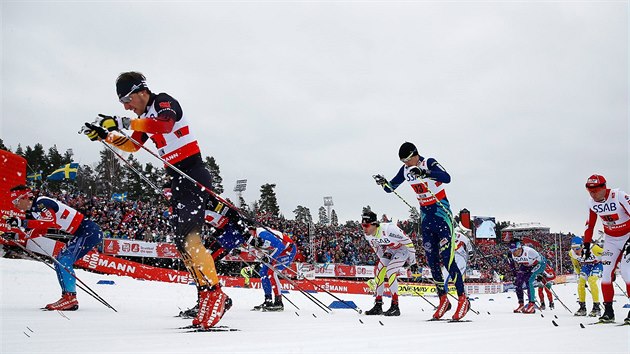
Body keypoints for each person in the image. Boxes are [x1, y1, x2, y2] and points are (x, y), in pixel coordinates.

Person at [82, 71, 241, 329]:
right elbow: (134, 146)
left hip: (191, 171)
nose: (126, 106)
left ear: (140, 91)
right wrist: (105, 135)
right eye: (122, 103)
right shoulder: (143, 118)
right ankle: (206, 295)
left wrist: (122, 122)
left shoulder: (163, 102)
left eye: (126, 99)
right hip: (177, 178)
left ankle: (215, 294)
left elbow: (165, 125)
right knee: (182, 242)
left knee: (191, 240)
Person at [374, 141, 469, 320]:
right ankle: (443, 300)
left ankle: (463, 299)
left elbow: (447, 177)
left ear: (415, 155)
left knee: (447, 260)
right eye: (403, 161)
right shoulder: (405, 170)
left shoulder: (428, 162)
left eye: (407, 160)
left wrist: (425, 173)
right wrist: (383, 183)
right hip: (426, 217)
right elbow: (391, 188)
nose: (405, 164)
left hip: (441, 213)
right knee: (432, 262)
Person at [8, 185, 103, 311]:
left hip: (88, 231)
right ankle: (68, 296)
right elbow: (41, 231)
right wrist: (15, 234)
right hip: (84, 232)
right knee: (59, 260)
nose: (15, 205)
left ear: (25, 197)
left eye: (16, 201)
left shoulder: (41, 203)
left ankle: (70, 298)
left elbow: (50, 222)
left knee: (63, 260)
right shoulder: (35, 210)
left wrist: (22, 222)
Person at [582, 174, 630, 324]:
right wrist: (587, 245)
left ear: (604, 187)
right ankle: (608, 311)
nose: (592, 193)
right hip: (611, 239)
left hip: (628, 236)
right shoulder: (592, 202)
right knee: (606, 274)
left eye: (595, 190)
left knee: (627, 272)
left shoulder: (619, 196)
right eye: (589, 190)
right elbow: (590, 225)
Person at [360, 210, 416, 317]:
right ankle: (378, 304)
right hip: (391, 250)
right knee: (379, 271)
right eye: (362, 225)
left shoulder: (389, 229)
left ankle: (395, 306)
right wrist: (384, 264)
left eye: (366, 225)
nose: (364, 228)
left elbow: (409, 242)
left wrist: (413, 262)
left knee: (390, 271)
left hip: (403, 250)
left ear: (374, 224)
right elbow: (378, 251)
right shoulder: (369, 235)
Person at [247, 226, 296, 311]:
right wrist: (239, 251)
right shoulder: (255, 238)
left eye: (249, 232)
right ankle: (268, 300)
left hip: (288, 250)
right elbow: (255, 250)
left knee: (272, 272)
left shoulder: (262, 233)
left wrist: (270, 258)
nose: (249, 234)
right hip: (279, 251)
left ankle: (278, 302)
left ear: (253, 229)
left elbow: (280, 245)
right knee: (263, 272)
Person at [509, 239, 547, 314]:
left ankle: (531, 304)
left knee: (529, 281)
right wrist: (515, 276)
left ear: (519, 248)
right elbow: (512, 265)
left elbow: (542, 261)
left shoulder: (530, 251)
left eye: (514, 250)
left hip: (538, 264)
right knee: (518, 283)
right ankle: (521, 304)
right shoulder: (511, 254)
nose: (513, 252)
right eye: (511, 250)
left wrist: (540, 273)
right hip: (526, 265)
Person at [569, 236, 603, 317]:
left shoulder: (593, 248)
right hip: (586, 266)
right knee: (581, 283)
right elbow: (576, 264)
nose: (575, 251)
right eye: (573, 248)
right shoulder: (572, 253)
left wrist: (612, 270)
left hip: (598, 264)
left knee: (592, 280)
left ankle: (596, 307)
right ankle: (582, 308)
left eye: (577, 248)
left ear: (582, 246)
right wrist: (578, 274)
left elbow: (608, 255)